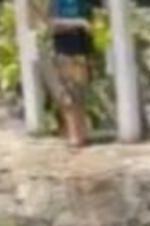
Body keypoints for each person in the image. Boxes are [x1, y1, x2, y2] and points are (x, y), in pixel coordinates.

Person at [49, 0, 97, 148]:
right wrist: (79, 23)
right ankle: (74, 135)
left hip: (83, 46)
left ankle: (82, 133)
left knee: (80, 92)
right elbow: (53, 23)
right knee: (68, 93)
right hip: (65, 47)